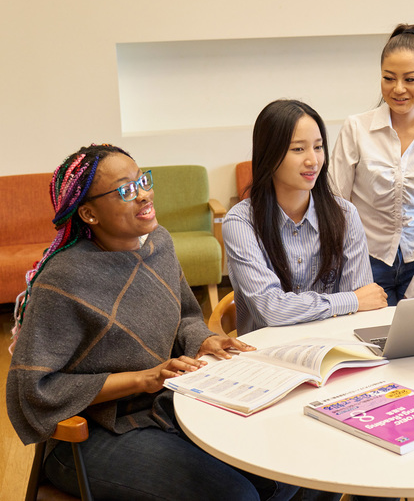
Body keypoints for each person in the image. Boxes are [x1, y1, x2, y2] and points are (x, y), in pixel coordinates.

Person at [6, 144, 293, 500]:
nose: (144, 194)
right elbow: (33, 389)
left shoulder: (159, 243)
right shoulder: (62, 280)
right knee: (235, 495)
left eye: (143, 179)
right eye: (126, 190)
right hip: (92, 434)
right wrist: (142, 379)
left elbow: (186, 316)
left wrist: (203, 340)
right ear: (89, 213)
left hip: (173, 408)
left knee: (294, 473)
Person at [223, 99, 387, 335]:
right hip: (266, 356)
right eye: (298, 149)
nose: (313, 160)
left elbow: (366, 303)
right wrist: (350, 300)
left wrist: (356, 300)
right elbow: (271, 310)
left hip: (333, 347)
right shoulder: (241, 223)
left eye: (318, 147)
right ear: (270, 155)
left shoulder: (345, 215)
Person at [330, 23, 414, 306]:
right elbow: (335, 202)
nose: (398, 89)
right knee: (372, 343)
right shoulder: (356, 129)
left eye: (410, 79)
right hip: (364, 261)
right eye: (389, 78)